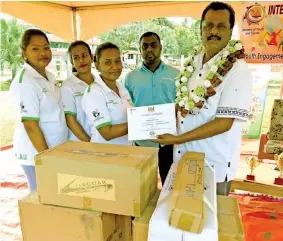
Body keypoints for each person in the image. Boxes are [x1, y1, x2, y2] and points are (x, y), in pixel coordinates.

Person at [153, 2, 253, 196]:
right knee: (182, 219)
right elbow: (186, 105)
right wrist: (158, 119)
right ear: (201, 28)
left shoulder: (238, 70)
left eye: (221, 26)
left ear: (231, 30)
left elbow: (224, 123)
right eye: (208, 25)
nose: (213, 31)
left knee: (207, 223)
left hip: (212, 165)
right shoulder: (193, 62)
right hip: (182, 159)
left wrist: (178, 139)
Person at [10, 29, 68, 192]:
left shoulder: (49, 76)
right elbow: (30, 125)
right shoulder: (25, 82)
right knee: (40, 197)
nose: (43, 53)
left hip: (54, 148)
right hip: (36, 154)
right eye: (35, 49)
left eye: (46, 47)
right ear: (24, 52)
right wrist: (46, 157)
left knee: (54, 195)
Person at [124, 32, 179, 183]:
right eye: (145, 46)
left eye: (153, 45)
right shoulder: (130, 78)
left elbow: (181, 104)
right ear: (140, 49)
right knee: (141, 185)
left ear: (160, 48)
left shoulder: (176, 74)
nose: (149, 49)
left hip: (168, 141)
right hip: (142, 142)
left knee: (169, 183)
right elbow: (127, 105)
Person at [81, 42, 133, 145]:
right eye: (108, 62)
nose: (114, 67)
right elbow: (107, 133)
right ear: (97, 65)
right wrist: (140, 123)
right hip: (105, 155)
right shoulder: (94, 93)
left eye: (117, 61)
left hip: (125, 152)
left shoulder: (121, 88)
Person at [61, 41, 95, 142]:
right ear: (72, 62)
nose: (81, 60)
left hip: (101, 142)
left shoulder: (100, 83)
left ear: (91, 57)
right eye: (76, 57)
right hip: (80, 144)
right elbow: (70, 120)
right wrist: (90, 143)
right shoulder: (68, 86)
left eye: (84, 55)